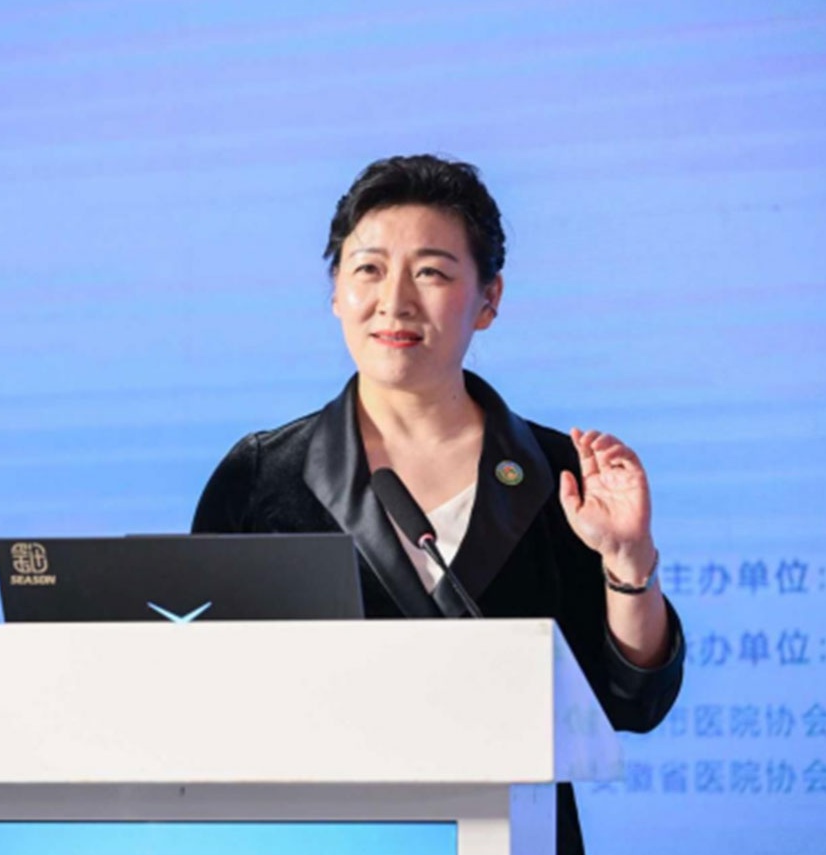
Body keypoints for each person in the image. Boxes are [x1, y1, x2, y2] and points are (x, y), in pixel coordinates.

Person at [192, 154, 684, 855]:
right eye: (367, 269)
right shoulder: (261, 476)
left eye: (431, 272)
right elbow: (202, 690)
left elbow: (632, 702)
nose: (394, 301)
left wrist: (628, 562)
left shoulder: (562, 475)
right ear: (335, 292)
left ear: (488, 300)